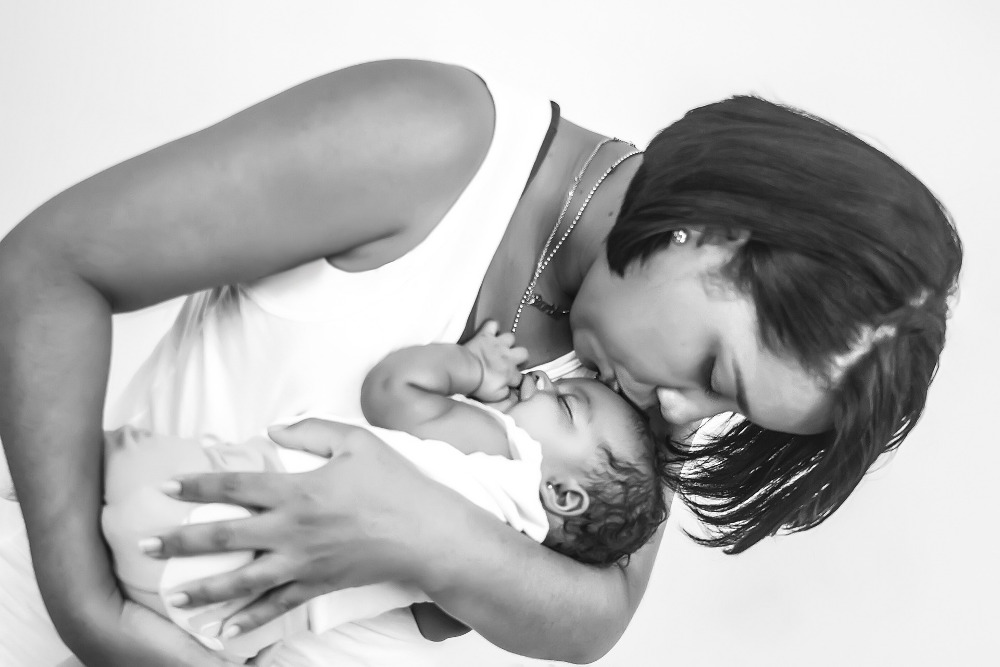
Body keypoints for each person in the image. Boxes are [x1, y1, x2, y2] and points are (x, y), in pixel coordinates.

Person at [0, 59, 962, 666]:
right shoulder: (432, 140)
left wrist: (426, 534)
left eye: (728, 412)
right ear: (709, 233)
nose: (686, 419)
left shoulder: (642, 390)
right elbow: (49, 270)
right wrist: (86, 610)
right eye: (718, 371)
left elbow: (595, 618)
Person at [101, 323, 665, 662]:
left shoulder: (502, 451)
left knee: (109, 458)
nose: (543, 380)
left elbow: (392, 391)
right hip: (237, 623)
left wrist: (470, 368)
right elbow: (436, 624)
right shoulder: (495, 567)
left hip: (220, 504)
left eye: (565, 403)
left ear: (562, 495)